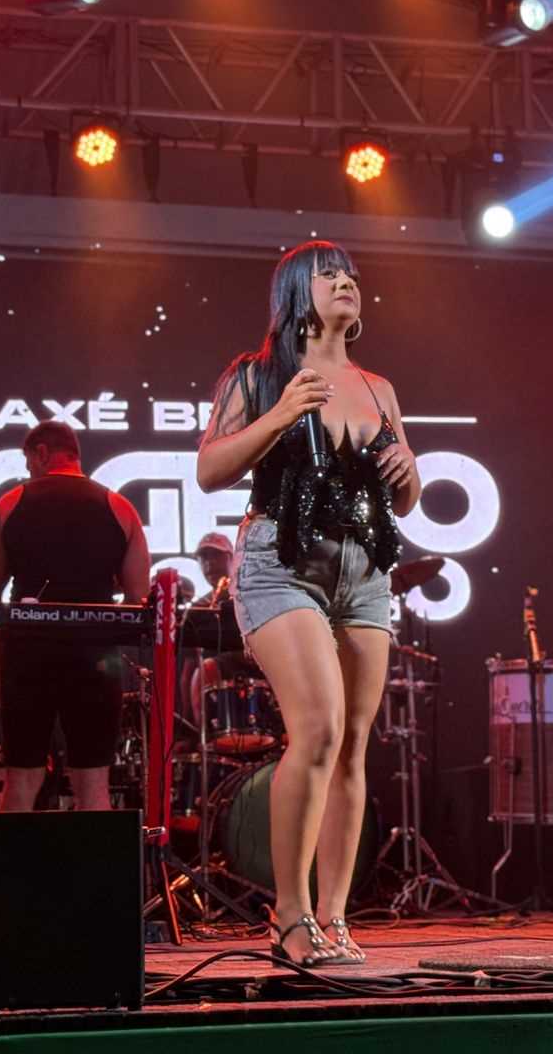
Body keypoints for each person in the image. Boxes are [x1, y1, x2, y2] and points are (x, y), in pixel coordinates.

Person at [196, 240, 419, 969]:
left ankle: (333, 917)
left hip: (365, 572)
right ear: (297, 292)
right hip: (280, 564)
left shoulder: (379, 388)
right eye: (329, 275)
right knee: (317, 730)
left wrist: (407, 470)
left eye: (351, 274)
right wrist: (280, 415)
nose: (346, 282)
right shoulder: (258, 375)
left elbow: (405, 499)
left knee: (352, 744)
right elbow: (210, 470)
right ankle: (288, 915)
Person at [0, 421, 150, 814]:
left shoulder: (9, 504)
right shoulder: (120, 508)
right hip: (94, 657)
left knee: (21, 781)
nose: (29, 472)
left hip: (26, 655)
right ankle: (96, 859)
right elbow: (138, 598)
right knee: (94, 785)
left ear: (41, 453)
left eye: (29, 463)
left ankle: (13, 859)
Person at [185, 531, 238, 723]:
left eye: (215, 555)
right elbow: (189, 663)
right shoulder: (199, 607)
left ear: (232, 558)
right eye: (204, 557)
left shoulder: (250, 595)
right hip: (214, 682)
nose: (209, 563)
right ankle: (194, 732)